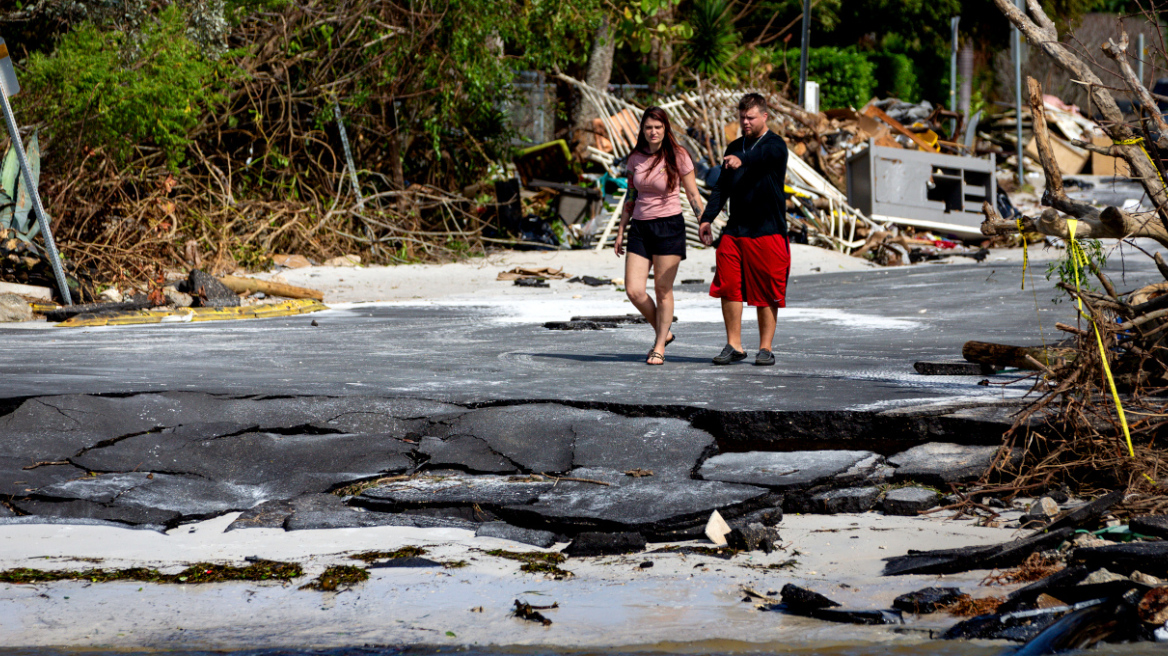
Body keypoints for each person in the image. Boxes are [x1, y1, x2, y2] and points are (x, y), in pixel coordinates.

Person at [698, 93, 790, 366]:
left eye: (751, 117)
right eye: (742, 118)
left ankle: (765, 348)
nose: (745, 122)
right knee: (728, 286)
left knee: (766, 291)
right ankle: (734, 345)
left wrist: (743, 160)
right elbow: (722, 187)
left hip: (768, 230)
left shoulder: (775, 145)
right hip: (735, 230)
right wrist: (707, 218)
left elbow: (762, 156)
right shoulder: (735, 145)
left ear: (764, 116)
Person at [615, 107, 705, 365]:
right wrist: (621, 229)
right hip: (640, 229)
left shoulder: (678, 156)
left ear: (666, 129)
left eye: (658, 127)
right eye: (648, 127)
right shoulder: (635, 158)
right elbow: (631, 195)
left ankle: (659, 346)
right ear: (642, 130)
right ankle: (665, 332)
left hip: (669, 227)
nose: (653, 132)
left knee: (662, 290)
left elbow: (692, 195)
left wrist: (703, 223)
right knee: (633, 290)